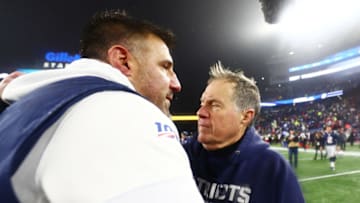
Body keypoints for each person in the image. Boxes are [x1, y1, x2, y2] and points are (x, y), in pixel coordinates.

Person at [0, 9, 203, 203]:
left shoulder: (25, 107)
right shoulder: (126, 112)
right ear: (123, 61)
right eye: (165, 67)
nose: (176, 84)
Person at [183, 61, 305, 203]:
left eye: (215, 105)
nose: (200, 112)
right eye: (202, 104)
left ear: (245, 116)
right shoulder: (182, 155)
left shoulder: (274, 170)